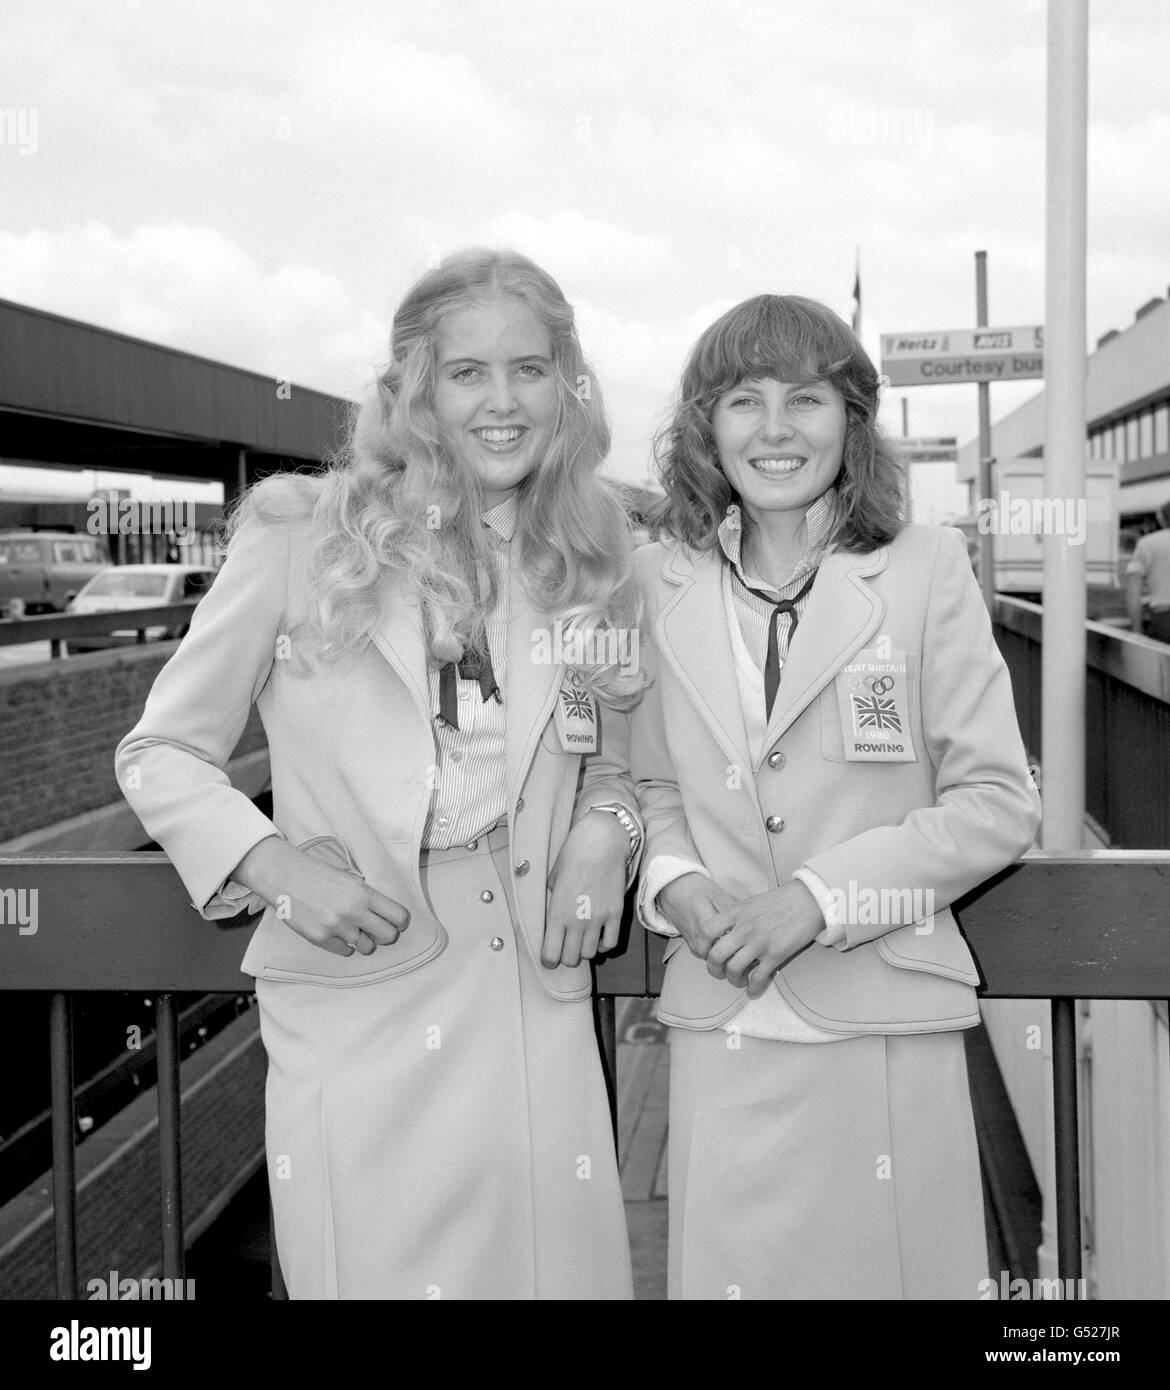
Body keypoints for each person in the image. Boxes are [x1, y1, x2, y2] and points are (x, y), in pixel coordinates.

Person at [115, 248, 646, 1300]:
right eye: (467, 372)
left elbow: (620, 754)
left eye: (531, 369)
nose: (503, 402)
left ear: (566, 385)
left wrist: (610, 829)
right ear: (415, 389)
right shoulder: (298, 535)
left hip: (529, 985)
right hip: (359, 978)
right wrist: (274, 867)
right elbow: (160, 752)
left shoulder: (590, 550)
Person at [631, 293, 1041, 1300]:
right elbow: (647, 783)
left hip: (885, 1021)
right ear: (706, 426)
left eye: (805, 399)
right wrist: (676, 882)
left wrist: (818, 898)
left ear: (851, 421)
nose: (775, 430)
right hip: (723, 1021)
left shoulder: (926, 569)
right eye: (745, 400)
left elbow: (997, 799)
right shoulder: (653, 582)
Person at [1125, 502, 1170, 642]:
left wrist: (1137, 631)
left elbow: (1133, 592)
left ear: (1161, 519)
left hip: (1164, 620)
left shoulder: (1147, 544)